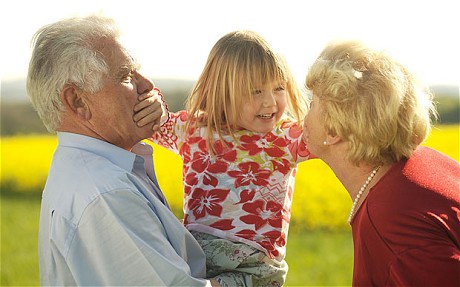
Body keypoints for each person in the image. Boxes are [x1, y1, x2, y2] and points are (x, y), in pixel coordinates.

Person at [27, 14, 219, 286]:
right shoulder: (108, 194)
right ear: (78, 101)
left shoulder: (89, 170)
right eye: (127, 75)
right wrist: (257, 277)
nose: (149, 85)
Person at [136, 30, 311, 287]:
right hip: (198, 256)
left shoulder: (286, 138)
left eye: (278, 88)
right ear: (222, 91)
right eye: (256, 91)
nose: (270, 101)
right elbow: (151, 121)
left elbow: (334, 134)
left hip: (255, 266)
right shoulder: (194, 130)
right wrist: (153, 101)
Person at [302, 39, 460, 286]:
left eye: (313, 103)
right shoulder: (426, 161)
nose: (304, 115)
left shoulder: (390, 219)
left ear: (334, 130)